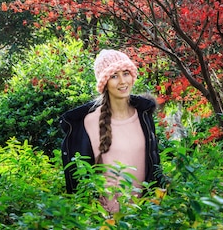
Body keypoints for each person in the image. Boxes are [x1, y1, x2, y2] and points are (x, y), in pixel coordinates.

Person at [60, 49, 164, 213]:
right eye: (114, 76)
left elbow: (154, 164)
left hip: (146, 215)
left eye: (126, 73)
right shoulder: (88, 122)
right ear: (104, 83)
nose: (123, 81)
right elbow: (81, 178)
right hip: (108, 223)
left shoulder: (144, 115)